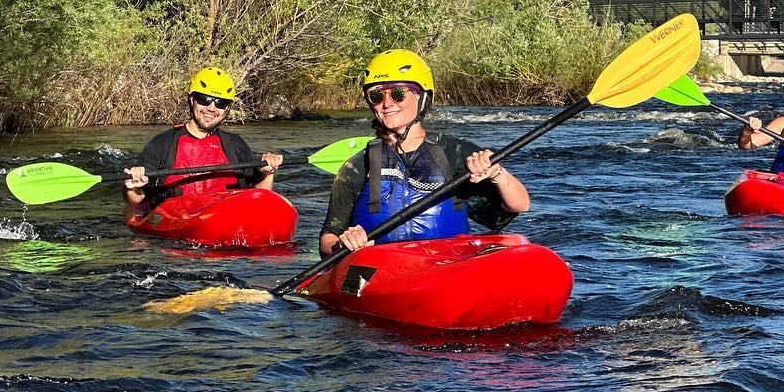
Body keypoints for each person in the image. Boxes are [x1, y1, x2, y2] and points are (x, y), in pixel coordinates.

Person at [320, 49, 530, 255]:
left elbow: (520, 204)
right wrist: (343, 244)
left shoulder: (454, 153)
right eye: (376, 95)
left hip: (447, 263)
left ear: (421, 97)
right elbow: (328, 238)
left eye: (397, 94)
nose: (386, 104)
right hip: (381, 270)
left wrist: (496, 173)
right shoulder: (357, 165)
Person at [123, 67, 282, 215]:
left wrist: (267, 172)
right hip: (178, 219)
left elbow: (261, 195)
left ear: (226, 108)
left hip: (226, 215)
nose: (212, 108)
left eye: (220, 103)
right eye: (204, 99)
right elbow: (136, 200)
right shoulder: (163, 143)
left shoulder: (235, 144)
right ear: (192, 100)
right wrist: (132, 187)